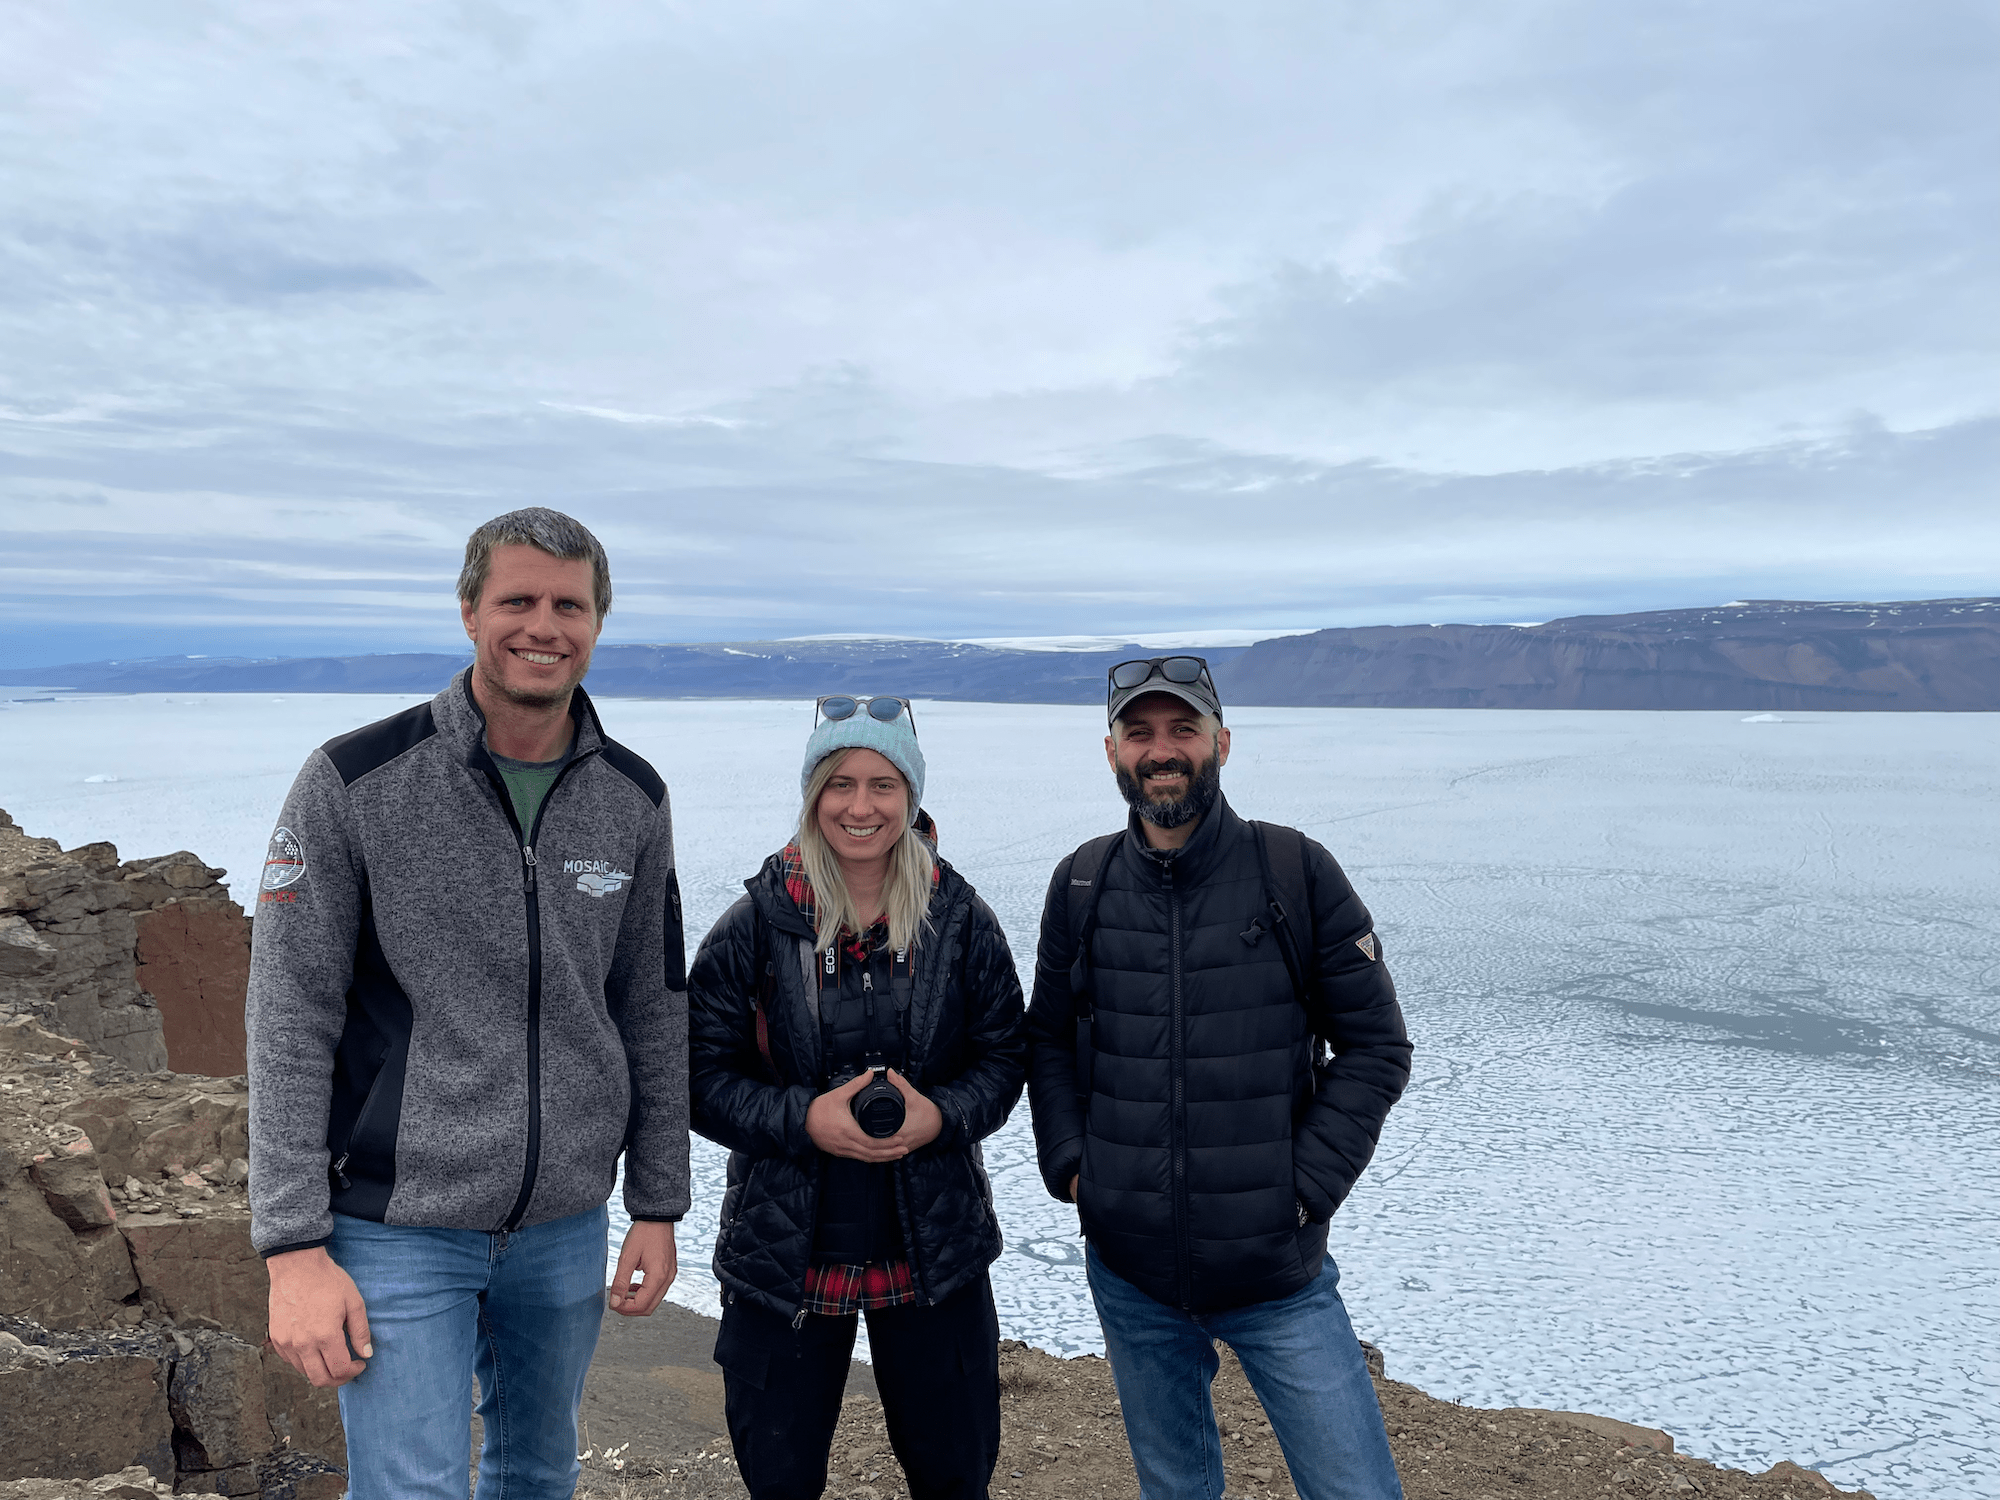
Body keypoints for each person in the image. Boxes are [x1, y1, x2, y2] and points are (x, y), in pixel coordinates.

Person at [246, 508, 689, 1499]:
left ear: (597, 622)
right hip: (396, 1222)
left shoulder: (632, 797)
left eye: (567, 605)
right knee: (415, 1488)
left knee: (538, 1475)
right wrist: (292, 1247)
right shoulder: (355, 782)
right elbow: (288, 1020)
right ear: (468, 611)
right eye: (517, 600)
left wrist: (656, 1205)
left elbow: (652, 1011)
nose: (543, 626)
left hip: (566, 1221)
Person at [1024, 657, 1414, 1500]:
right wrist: (1077, 1172)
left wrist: (1300, 1190)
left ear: (1222, 743)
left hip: (1278, 1272)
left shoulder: (1295, 872)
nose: (1162, 751)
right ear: (1112, 752)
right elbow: (1047, 1040)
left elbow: (1378, 1048)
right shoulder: (1082, 884)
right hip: (1131, 1274)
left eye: (1182, 730)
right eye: (1141, 734)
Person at [688, 697, 1025, 1500]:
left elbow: (1007, 1055)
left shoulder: (961, 921)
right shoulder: (754, 928)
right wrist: (803, 1119)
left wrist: (941, 1115)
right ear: (811, 795)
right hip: (786, 1258)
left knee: (955, 1477)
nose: (861, 806)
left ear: (911, 795)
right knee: (781, 1480)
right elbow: (697, 1075)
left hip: (934, 1251)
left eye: (883, 783)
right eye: (840, 784)